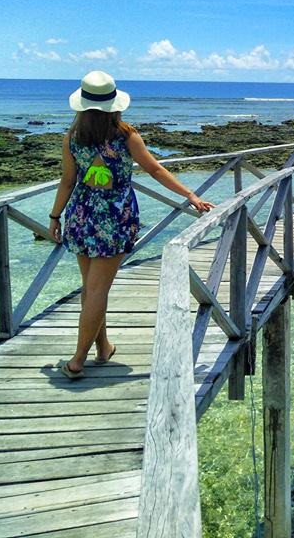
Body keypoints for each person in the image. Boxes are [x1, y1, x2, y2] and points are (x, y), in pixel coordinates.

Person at [49, 71, 214, 379]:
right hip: (114, 217)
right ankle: (77, 361)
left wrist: (55, 216)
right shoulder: (126, 136)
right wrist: (190, 194)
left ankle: (103, 348)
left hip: (82, 214)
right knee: (96, 290)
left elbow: (68, 181)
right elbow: (155, 169)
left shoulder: (73, 138)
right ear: (114, 105)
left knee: (91, 289)